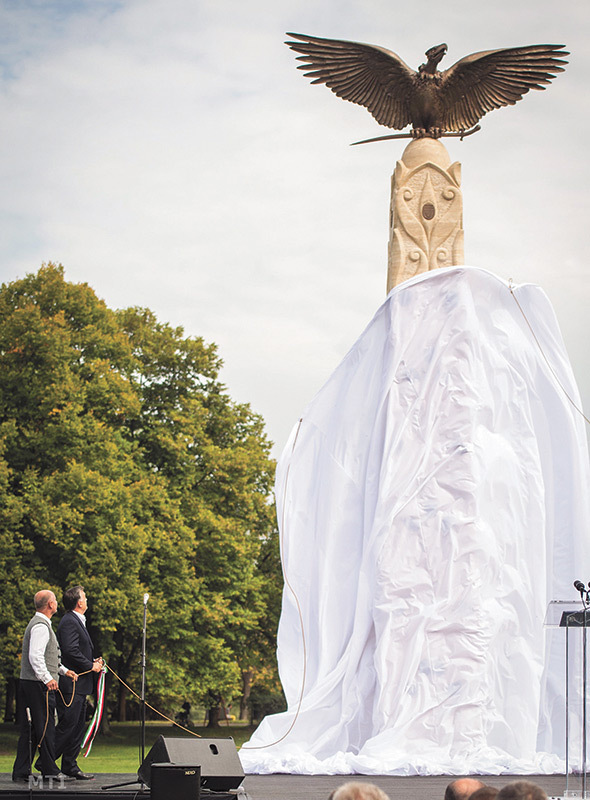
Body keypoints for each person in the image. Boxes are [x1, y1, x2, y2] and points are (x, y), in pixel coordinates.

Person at [12, 590, 78, 782]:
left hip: (31, 683)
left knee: (31, 729)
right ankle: (50, 770)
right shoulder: (41, 626)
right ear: (50, 605)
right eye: (55, 600)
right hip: (38, 685)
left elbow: (49, 658)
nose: (57, 603)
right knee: (47, 727)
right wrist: (47, 678)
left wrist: (64, 672)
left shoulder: (41, 624)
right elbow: (35, 657)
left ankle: (21, 771)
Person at [54, 585, 103, 780]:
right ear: (79, 602)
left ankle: (70, 765)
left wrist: (93, 663)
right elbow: (70, 650)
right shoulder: (69, 621)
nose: (87, 600)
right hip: (71, 684)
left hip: (81, 685)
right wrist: (90, 666)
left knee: (77, 727)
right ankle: (46, 762)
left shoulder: (78, 621)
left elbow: (78, 649)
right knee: (68, 725)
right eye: (85, 597)